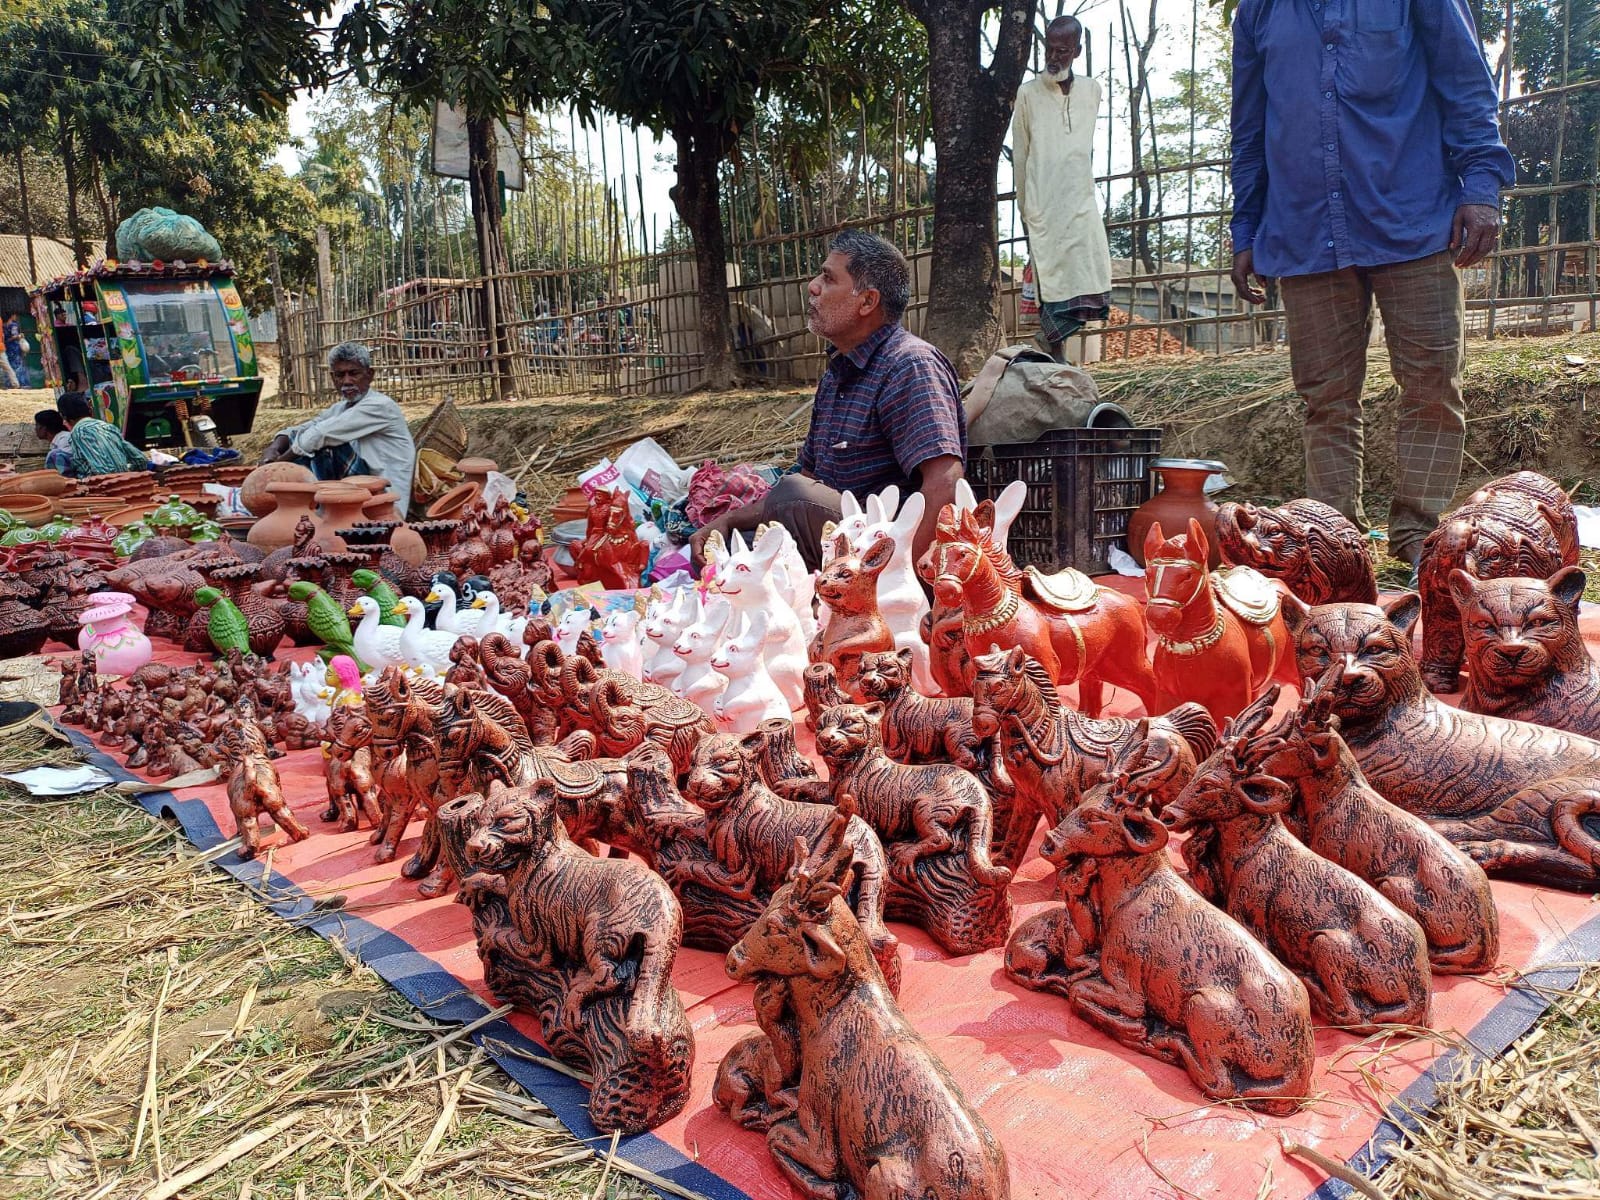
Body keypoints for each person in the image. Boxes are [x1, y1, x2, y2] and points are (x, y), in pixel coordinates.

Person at [1229, 0, 1514, 571]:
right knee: (1324, 400)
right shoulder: (1258, 10)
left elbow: (1466, 86)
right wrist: (1246, 228)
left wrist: (1481, 188)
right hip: (1305, 230)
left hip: (1413, 220)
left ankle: (1420, 541)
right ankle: (1337, 546)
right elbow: (1249, 127)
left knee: (1433, 385)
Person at [689, 230, 965, 572]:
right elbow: (808, 478)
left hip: (885, 554)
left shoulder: (910, 365)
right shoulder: (837, 373)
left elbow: (944, 484)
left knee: (793, 496)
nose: (813, 286)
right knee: (721, 556)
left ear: (867, 301)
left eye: (828, 278)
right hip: (839, 545)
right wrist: (729, 521)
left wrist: (897, 578)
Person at [1011, 16, 1112, 361]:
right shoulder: (1028, 94)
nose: (1054, 56)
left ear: (1077, 51)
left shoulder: (1092, 91)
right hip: (1044, 205)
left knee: (1089, 273)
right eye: (1049, 49)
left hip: (1080, 201)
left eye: (1063, 50)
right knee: (1050, 283)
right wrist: (1027, 209)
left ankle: (1059, 356)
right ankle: (1054, 358)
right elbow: (1021, 156)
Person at [259, 342, 416, 516]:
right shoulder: (341, 409)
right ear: (333, 378)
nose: (347, 381)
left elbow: (319, 435)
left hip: (384, 503)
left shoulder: (380, 406)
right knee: (306, 440)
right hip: (354, 492)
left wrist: (280, 463)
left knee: (323, 446)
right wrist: (273, 448)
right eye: (340, 375)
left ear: (370, 375)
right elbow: (306, 428)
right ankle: (312, 511)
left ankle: (315, 512)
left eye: (354, 373)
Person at [57, 392, 150, 478]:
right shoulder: (108, 427)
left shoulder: (79, 432)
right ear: (89, 409)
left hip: (105, 489)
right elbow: (140, 460)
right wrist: (126, 474)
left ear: (64, 417)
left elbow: (104, 472)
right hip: (124, 484)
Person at [36, 409, 72, 474]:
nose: (35, 429)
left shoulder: (64, 440)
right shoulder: (56, 442)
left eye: (37, 425)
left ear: (44, 428)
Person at [3, 312, 31, 388]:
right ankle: (23, 384)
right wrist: (19, 336)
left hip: (6, 348)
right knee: (18, 366)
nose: (16, 317)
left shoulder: (3, 326)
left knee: (9, 366)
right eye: (15, 315)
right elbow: (15, 336)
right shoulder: (13, 325)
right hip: (14, 348)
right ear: (11, 316)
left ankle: (9, 384)